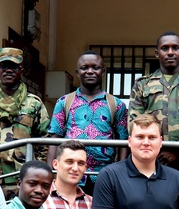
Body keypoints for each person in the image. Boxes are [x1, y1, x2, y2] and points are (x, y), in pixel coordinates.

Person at [0, 47, 50, 199]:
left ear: (22, 69)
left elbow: (45, 142)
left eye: (13, 66)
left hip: (21, 180)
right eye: (4, 66)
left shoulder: (34, 104)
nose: (8, 70)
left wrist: (37, 174)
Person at [129, 32, 179, 175]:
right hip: (152, 159)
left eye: (175, 48)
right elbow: (134, 122)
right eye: (165, 48)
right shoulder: (142, 85)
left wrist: (176, 150)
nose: (170, 52)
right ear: (156, 53)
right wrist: (155, 148)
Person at [46, 51, 129, 190]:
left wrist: (120, 174)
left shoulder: (116, 104)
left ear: (103, 72)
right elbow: (54, 138)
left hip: (103, 175)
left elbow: (123, 142)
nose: (90, 71)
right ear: (77, 72)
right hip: (69, 172)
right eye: (85, 68)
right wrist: (50, 174)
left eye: (95, 68)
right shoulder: (64, 102)